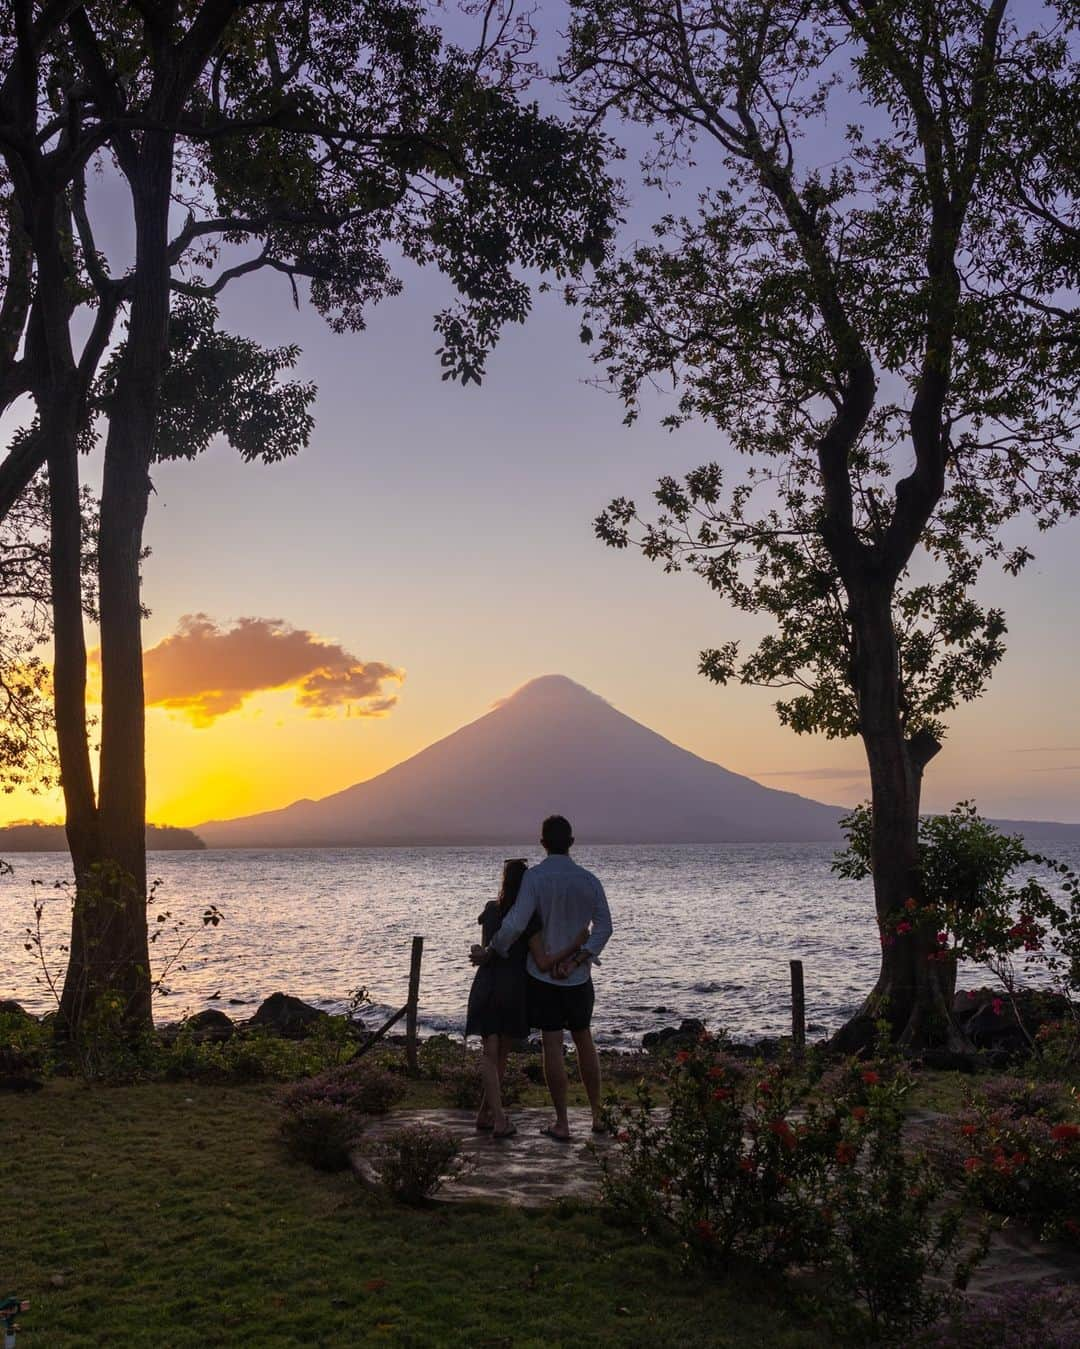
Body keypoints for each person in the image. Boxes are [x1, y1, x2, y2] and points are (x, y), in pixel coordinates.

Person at [476, 815, 613, 1142]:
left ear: (542, 843)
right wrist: (580, 957)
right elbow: (604, 927)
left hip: (542, 977)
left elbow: (513, 925)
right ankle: (597, 1114)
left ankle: (562, 1122)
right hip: (579, 978)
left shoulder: (534, 879)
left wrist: (492, 951)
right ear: (572, 842)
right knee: (584, 1039)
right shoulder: (589, 880)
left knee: (552, 1044)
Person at [465, 858, 587, 1138]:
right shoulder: (529, 919)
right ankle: (497, 1119)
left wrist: (480, 950)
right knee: (501, 1055)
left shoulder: (491, 910)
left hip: (485, 984)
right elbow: (543, 962)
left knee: (489, 1052)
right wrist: (574, 946)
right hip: (511, 989)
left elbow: (486, 944)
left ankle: (488, 1114)